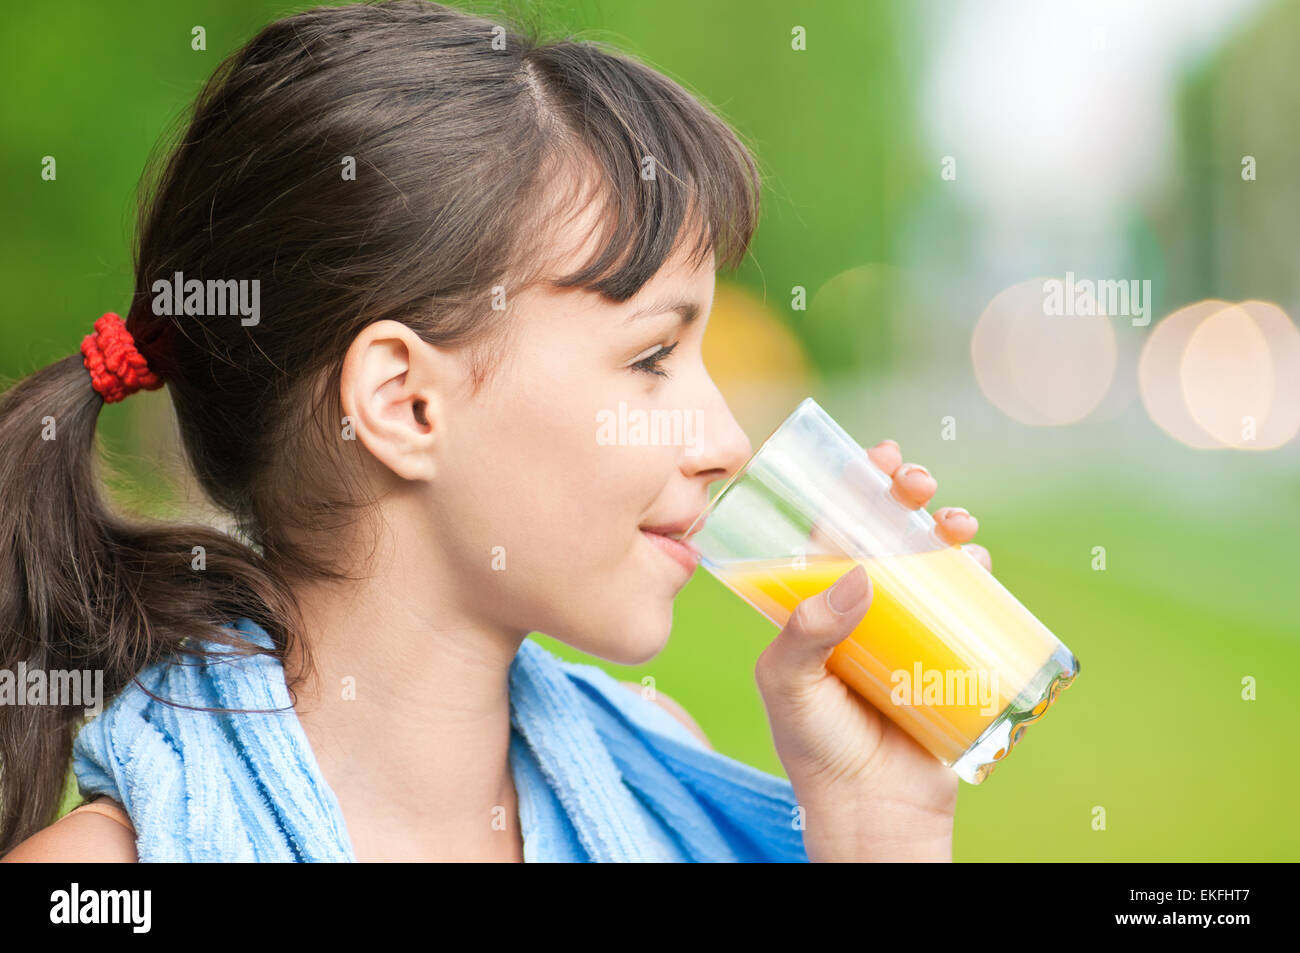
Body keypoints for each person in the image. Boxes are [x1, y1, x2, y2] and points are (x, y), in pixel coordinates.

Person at [0, 0, 989, 863]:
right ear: (405, 403)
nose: (727, 439)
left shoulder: (662, 768)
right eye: (652, 358)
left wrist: (879, 828)